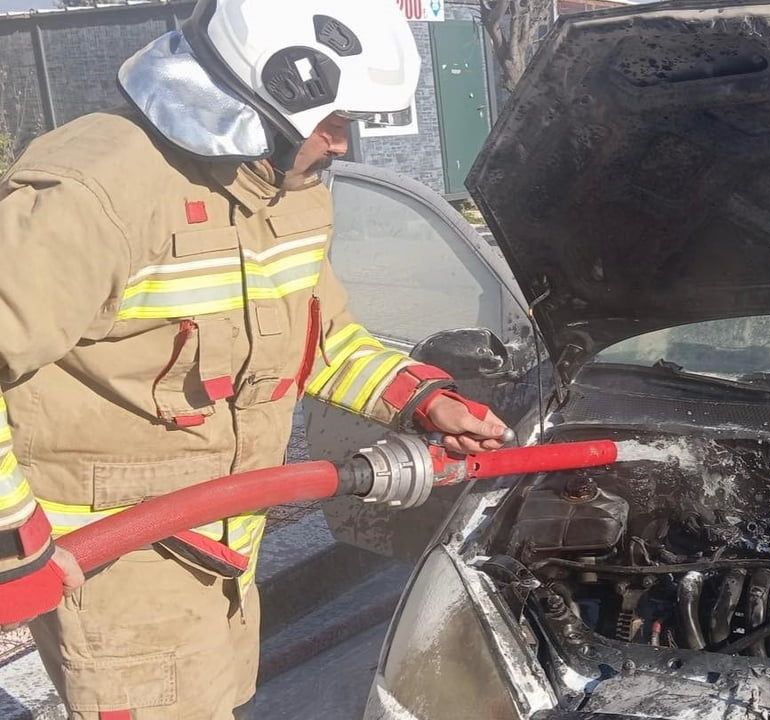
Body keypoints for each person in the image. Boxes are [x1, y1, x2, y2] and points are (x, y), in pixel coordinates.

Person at [0, 1, 508, 717]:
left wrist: (422, 400)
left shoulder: (286, 194)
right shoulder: (96, 194)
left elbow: (322, 340)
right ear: (259, 99)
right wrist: (12, 543)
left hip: (223, 547)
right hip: (116, 561)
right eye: (332, 122)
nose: (341, 145)